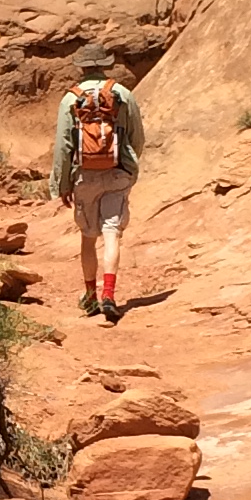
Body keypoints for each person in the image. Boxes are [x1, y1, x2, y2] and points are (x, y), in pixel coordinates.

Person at [50, 43, 145, 322]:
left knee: (89, 237)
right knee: (112, 233)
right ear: (105, 65)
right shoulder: (123, 94)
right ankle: (109, 295)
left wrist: (62, 183)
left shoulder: (71, 99)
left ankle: (91, 296)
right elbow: (137, 137)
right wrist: (129, 166)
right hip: (118, 173)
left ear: (81, 67)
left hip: (84, 176)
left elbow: (63, 146)